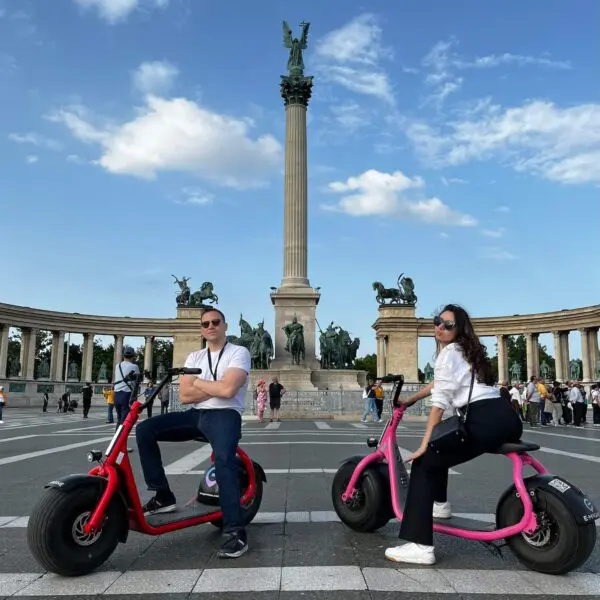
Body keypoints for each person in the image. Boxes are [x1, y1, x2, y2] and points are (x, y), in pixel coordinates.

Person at [385, 304, 522, 566]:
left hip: (482, 419)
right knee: (441, 446)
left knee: (426, 460)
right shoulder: (469, 352)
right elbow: (441, 382)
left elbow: (441, 400)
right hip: (506, 417)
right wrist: (411, 399)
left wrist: (424, 443)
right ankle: (440, 504)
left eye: (448, 325)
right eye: (438, 321)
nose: (440, 327)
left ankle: (420, 546)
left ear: (459, 330)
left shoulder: (448, 353)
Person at [135, 308, 251, 559]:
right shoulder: (195, 356)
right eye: (206, 323)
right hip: (197, 414)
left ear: (225, 326)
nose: (211, 326)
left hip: (225, 414)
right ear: (201, 329)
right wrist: (216, 387)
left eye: (216, 322)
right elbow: (186, 396)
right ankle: (163, 495)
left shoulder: (239, 352)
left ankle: (235, 532)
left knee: (224, 460)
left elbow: (230, 390)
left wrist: (202, 383)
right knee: (144, 429)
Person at [113, 346, 140, 426]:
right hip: (126, 394)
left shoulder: (117, 366)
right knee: (125, 419)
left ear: (123, 355)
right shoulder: (135, 367)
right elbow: (137, 381)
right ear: (133, 356)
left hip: (116, 394)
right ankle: (120, 437)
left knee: (119, 417)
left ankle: (117, 436)